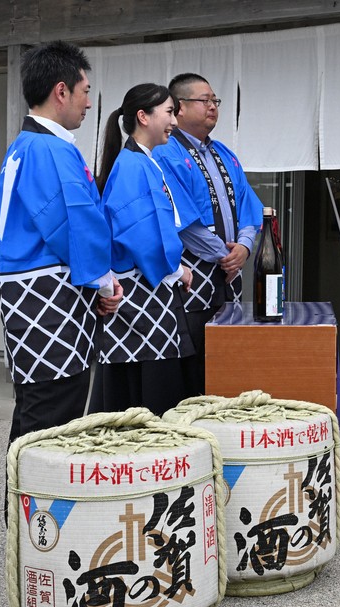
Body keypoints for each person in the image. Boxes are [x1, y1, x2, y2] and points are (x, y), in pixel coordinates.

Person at [0, 41, 122, 450]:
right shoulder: (50, 148)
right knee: (50, 423)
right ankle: (36, 514)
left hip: (29, 294)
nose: (88, 103)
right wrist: (104, 282)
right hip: (47, 297)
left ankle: (22, 513)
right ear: (61, 91)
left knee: (35, 412)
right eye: (85, 92)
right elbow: (74, 224)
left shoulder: (26, 145)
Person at [153, 73, 264, 395]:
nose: (213, 106)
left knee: (223, 355)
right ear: (180, 108)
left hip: (227, 272)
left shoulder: (225, 153)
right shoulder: (166, 153)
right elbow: (182, 219)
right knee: (192, 356)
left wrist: (243, 247)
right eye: (205, 100)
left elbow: (248, 205)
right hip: (193, 270)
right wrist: (225, 256)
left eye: (215, 100)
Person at [92, 83, 195, 415]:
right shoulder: (133, 164)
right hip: (141, 291)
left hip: (143, 289)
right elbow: (141, 232)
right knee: (148, 387)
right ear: (143, 116)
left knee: (141, 381)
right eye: (168, 112)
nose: (174, 122)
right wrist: (176, 269)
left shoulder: (141, 161)